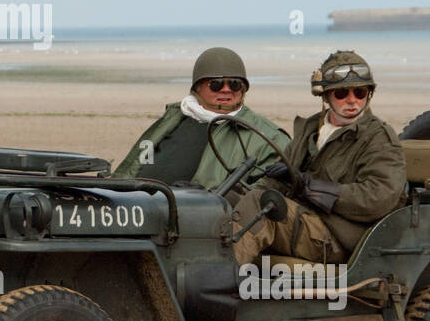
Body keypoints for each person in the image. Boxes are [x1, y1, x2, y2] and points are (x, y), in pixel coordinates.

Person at [232, 50, 407, 267]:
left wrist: (314, 188)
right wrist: (230, 196)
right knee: (226, 202)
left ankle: (214, 283)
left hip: (337, 237)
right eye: (342, 93)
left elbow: (379, 197)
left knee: (261, 204)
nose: (352, 101)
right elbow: (276, 179)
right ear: (325, 96)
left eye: (360, 92)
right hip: (306, 221)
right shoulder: (312, 129)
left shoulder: (378, 137)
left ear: (369, 94)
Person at [112, 47, 290, 188]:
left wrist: (214, 198)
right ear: (198, 87)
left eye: (235, 84)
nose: (226, 90)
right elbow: (136, 164)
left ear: (243, 89)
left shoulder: (267, 137)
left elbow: (273, 192)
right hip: (137, 210)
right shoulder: (174, 119)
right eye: (216, 84)